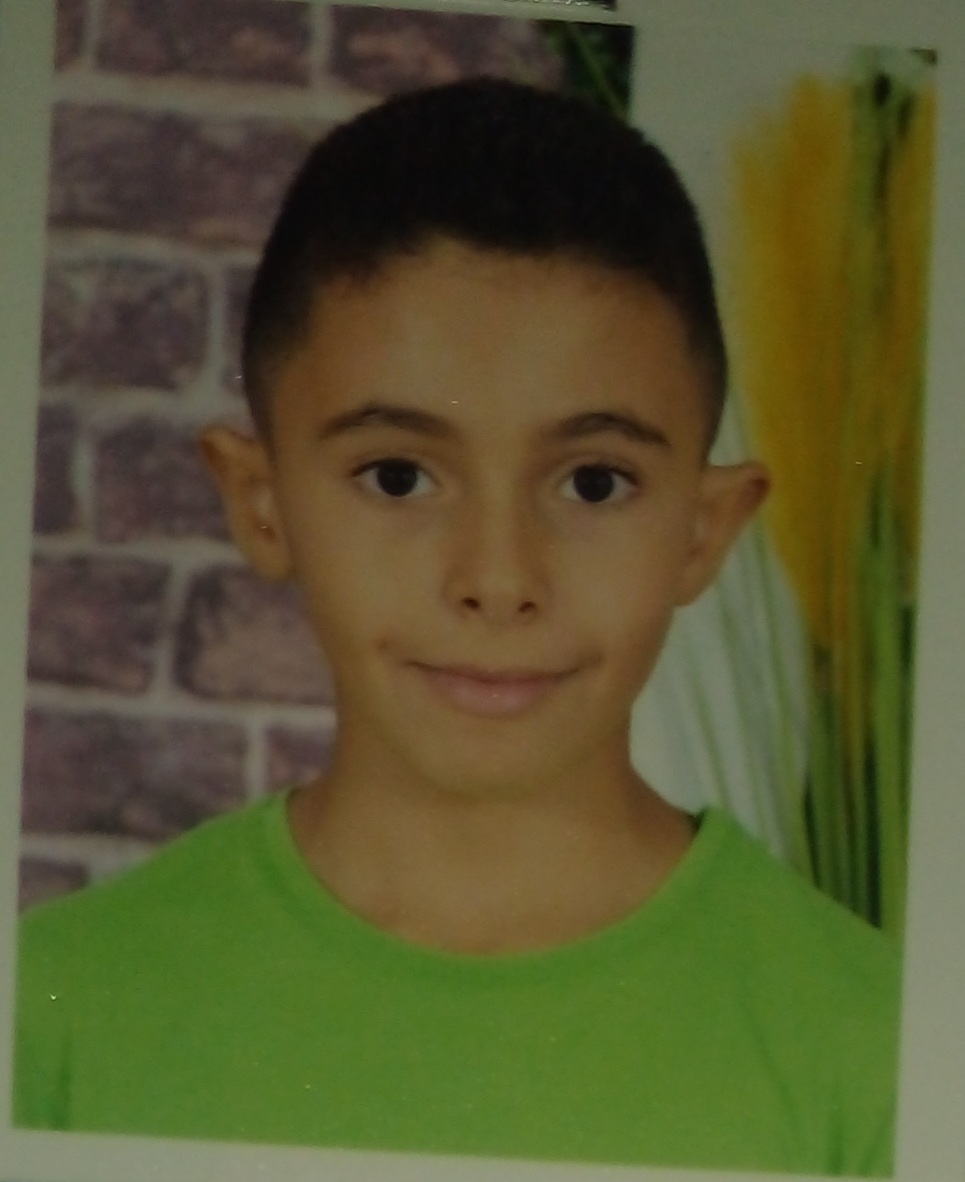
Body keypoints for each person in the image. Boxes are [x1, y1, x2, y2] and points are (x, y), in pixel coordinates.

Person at [14, 78, 899, 1175]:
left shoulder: (881, 1055)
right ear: (261, 503)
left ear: (702, 531)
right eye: (397, 475)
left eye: (592, 483)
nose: (497, 578)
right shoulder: (50, 1014)